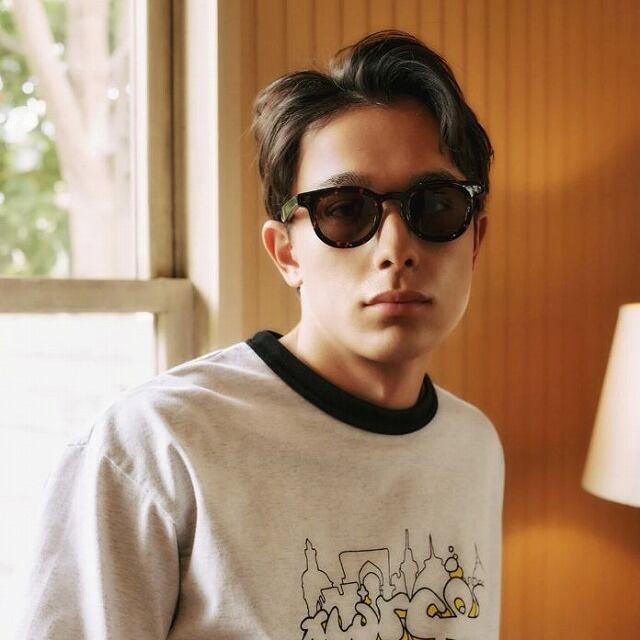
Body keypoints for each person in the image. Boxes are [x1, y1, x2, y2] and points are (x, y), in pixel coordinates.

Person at [15, 30, 504, 640]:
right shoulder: (156, 445)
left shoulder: (473, 447)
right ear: (286, 253)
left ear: (474, 240)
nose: (395, 248)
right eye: (345, 209)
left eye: (435, 205)